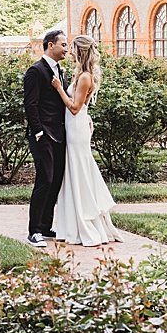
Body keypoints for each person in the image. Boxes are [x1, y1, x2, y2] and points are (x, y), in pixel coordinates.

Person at [50, 35, 120, 246]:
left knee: (78, 171)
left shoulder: (85, 78)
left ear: (80, 51)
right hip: (75, 126)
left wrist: (59, 88)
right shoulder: (80, 75)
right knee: (72, 172)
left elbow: (74, 108)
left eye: (72, 48)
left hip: (76, 129)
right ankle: (70, 223)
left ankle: (84, 220)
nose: (69, 52)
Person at [22, 29, 69, 247]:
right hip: (43, 135)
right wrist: (38, 131)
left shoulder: (60, 70)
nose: (66, 49)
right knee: (45, 179)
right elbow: (30, 104)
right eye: (63, 45)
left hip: (60, 134)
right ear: (51, 45)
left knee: (56, 180)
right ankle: (34, 231)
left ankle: (46, 226)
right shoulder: (35, 71)